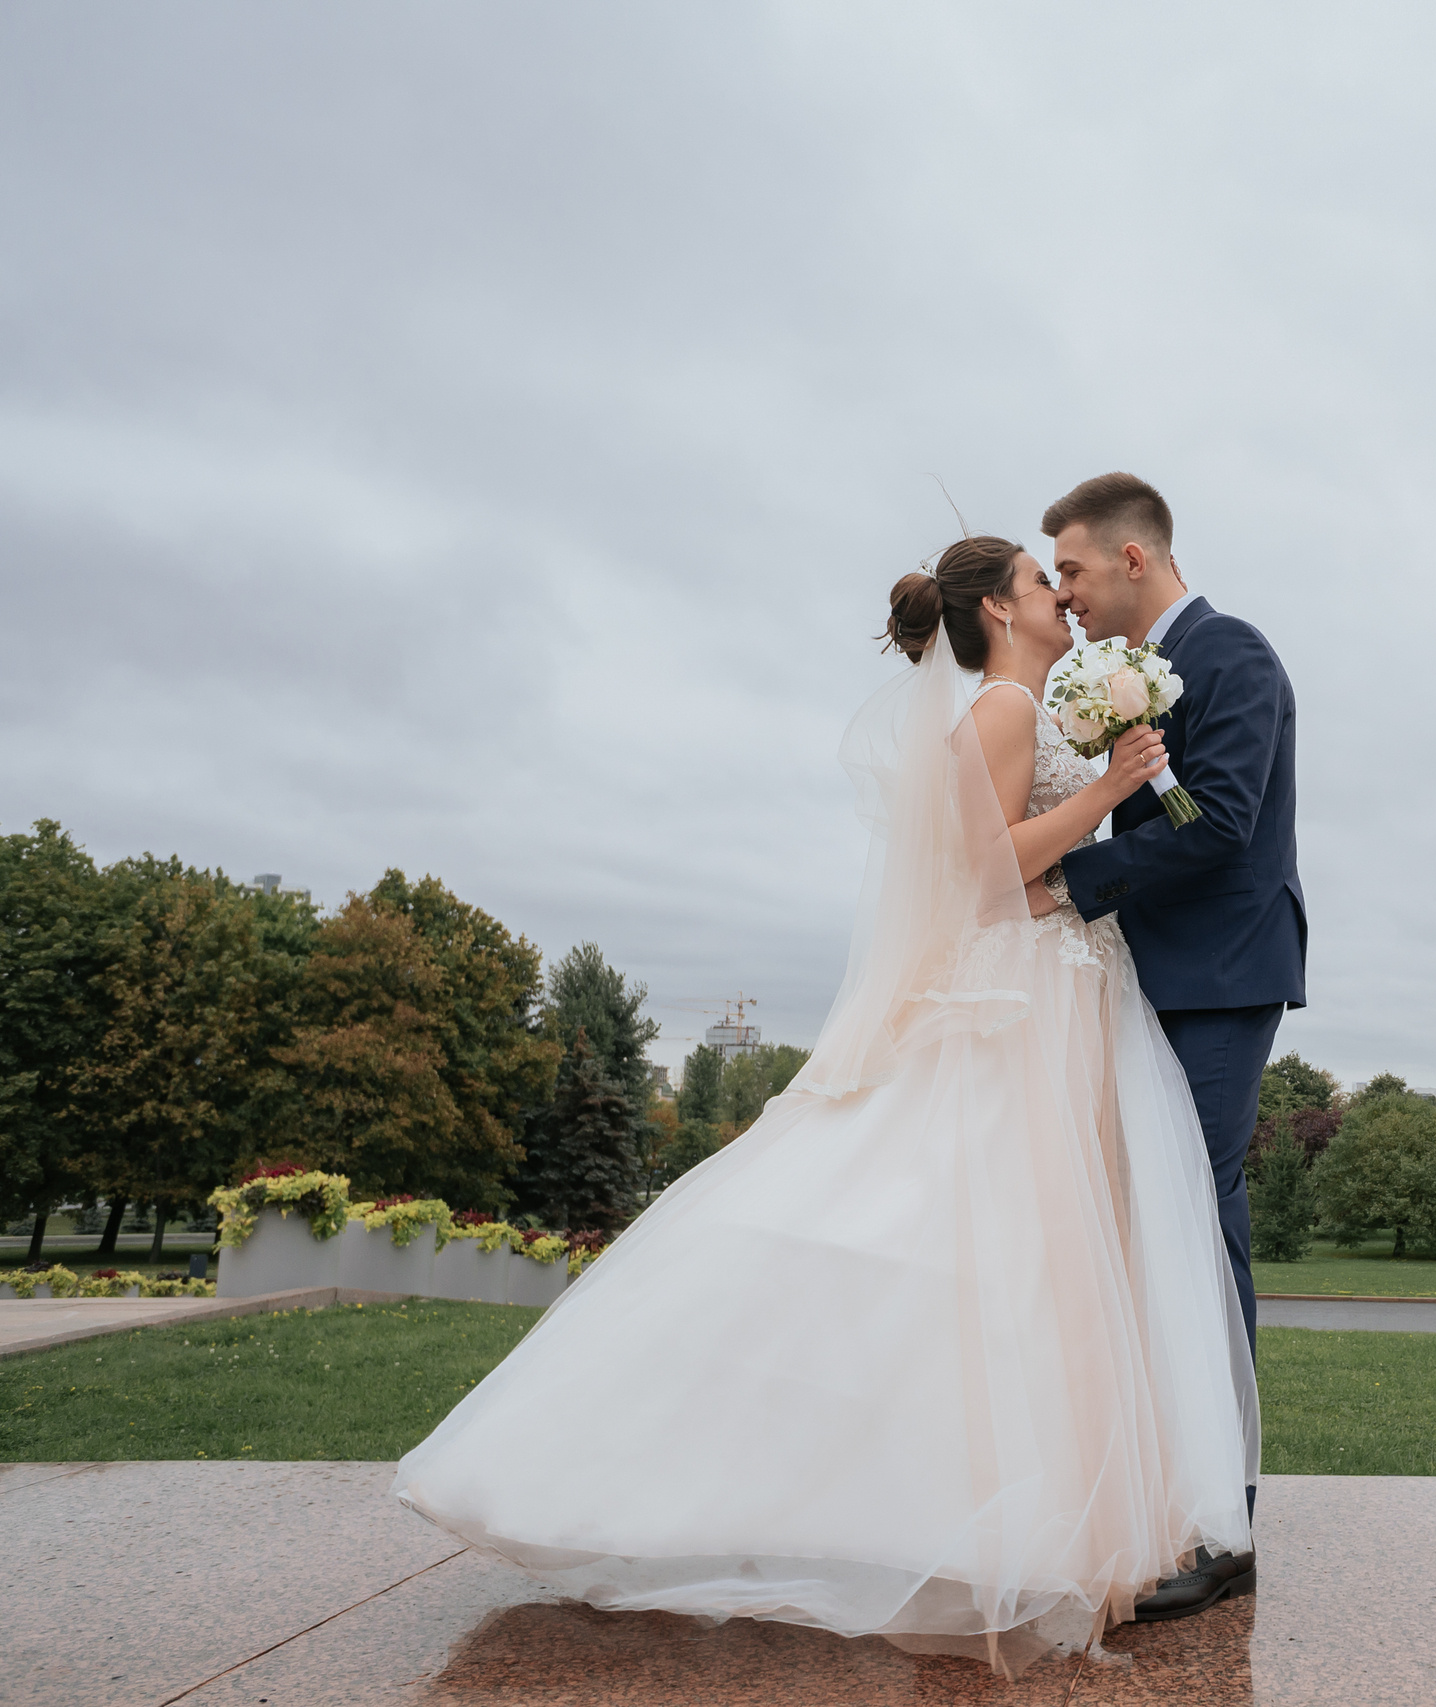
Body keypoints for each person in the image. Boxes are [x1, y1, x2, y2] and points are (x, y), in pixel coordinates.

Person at [392, 534, 1259, 1678]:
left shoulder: (1028, 704)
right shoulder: (1000, 707)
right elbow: (988, 872)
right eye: (1043, 583)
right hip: (1021, 998)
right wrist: (1106, 789)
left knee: (1038, 1265)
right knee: (984, 1243)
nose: (1063, 597)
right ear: (1000, 609)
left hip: (1069, 992)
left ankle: (1034, 1515)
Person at [1046, 471, 1304, 1617]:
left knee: (1194, 1222)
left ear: (1133, 561)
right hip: (1148, 973)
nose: (1066, 599)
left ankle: (1222, 1522)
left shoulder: (1234, 654)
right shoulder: (1119, 677)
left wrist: (1076, 875)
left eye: (1074, 573)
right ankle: (1183, 1488)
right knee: (1175, 1220)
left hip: (1219, 975)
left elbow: (1227, 820)